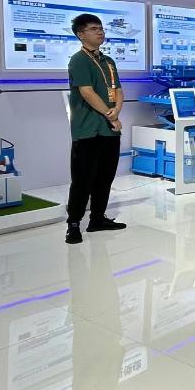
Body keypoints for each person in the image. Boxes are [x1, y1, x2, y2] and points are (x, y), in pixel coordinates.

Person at [65, 13, 127, 245]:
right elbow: (87, 92)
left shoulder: (108, 61)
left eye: (101, 28)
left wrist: (116, 110)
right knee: (82, 180)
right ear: (81, 35)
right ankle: (73, 224)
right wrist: (111, 114)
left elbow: (118, 90)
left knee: (105, 177)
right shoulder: (78, 60)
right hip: (88, 130)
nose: (100, 32)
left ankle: (98, 218)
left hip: (110, 130)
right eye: (93, 29)